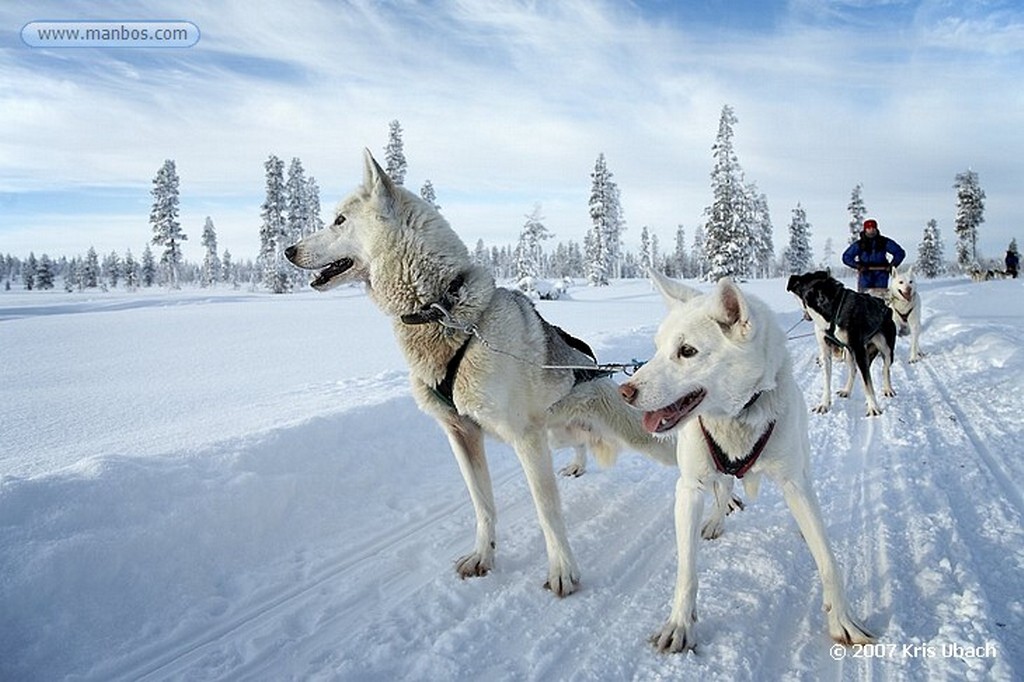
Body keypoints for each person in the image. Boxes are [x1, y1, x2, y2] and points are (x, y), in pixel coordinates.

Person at [842, 218, 906, 295]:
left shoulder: (884, 242)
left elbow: (899, 253)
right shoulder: (859, 244)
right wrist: (857, 265)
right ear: (865, 230)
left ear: (876, 229)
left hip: (881, 273)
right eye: (869, 228)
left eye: (873, 228)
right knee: (864, 298)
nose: (871, 230)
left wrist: (892, 265)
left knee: (880, 299)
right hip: (865, 274)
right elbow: (846, 257)